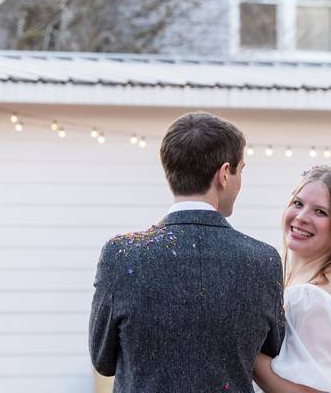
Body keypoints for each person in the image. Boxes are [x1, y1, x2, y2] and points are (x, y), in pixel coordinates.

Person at [89, 112, 285, 392]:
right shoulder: (263, 261)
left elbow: (102, 360)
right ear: (224, 174)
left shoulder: (120, 255)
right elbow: (272, 351)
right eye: (241, 170)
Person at [253, 166, 331, 393]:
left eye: (320, 212)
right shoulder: (322, 283)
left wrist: (247, 354)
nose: (301, 217)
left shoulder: (312, 297)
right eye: (298, 203)